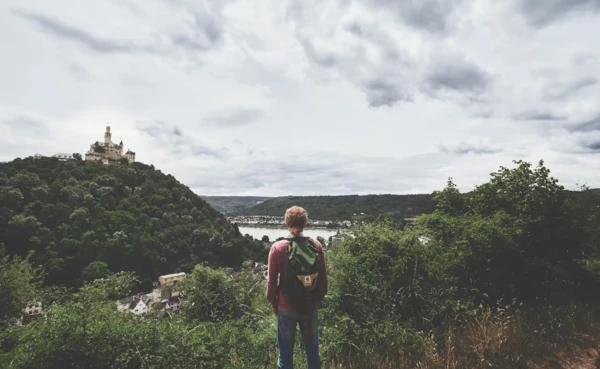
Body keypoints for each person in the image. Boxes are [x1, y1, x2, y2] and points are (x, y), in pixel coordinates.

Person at [267, 206, 328, 369]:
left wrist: (274, 304)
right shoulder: (316, 245)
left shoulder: (277, 248)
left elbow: (271, 283)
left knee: (285, 352)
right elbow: (323, 279)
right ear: (305, 223)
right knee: (312, 351)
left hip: (286, 307)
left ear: (286, 223)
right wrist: (318, 299)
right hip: (309, 306)